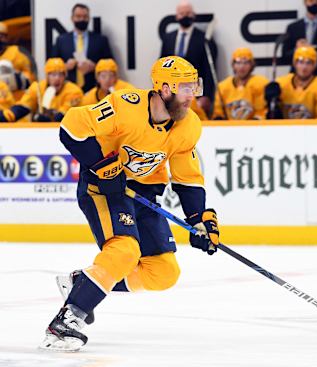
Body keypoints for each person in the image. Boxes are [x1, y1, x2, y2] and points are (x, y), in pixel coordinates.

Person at [39, 56, 220, 352]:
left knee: (163, 272)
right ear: (163, 88)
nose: (193, 95)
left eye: (194, 87)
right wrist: (102, 165)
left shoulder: (189, 125)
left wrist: (199, 218)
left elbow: (187, 177)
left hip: (144, 196)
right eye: (186, 88)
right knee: (125, 249)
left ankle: (82, 284)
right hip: (104, 189)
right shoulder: (125, 105)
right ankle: (68, 319)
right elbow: (71, 127)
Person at [160, 0, 217, 116]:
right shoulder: (168, 38)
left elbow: (209, 71)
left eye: (188, 13)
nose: (185, 16)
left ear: (193, 15)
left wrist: (207, 96)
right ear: (176, 16)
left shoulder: (204, 39)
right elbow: (162, 66)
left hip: (195, 93)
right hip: (172, 92)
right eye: (182, 13)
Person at [51, 3, 114, 92]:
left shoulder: (100, 40)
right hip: (67, 89)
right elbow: (51, 65)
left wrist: (95, 67)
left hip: (95, 88)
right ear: (72, 18)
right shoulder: (61, 40)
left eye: (85, 16)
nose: (82, 19)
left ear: (89, 18)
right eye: (78, 16)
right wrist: (64, 66)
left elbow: (111, 65)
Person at [0, 58, 83, 122]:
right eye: (53, 74)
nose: (57, 78)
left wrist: (48, 118)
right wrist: (7, 115)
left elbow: (62, 116)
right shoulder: (38, 87)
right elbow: (23, 107)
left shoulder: (74, 91)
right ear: (47, 76)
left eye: (60, 74)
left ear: (65, 76)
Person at [266, 46, 317, 119]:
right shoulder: (281, 83)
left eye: (309, 63)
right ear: (295, 63)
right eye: (301, 62)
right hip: (285, 128)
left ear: (315, 65)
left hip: (312, 129)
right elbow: (272, 115)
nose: (304, 67)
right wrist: (271, 102)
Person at [212, 47, 269, 120]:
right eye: (238, 62)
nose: (242, 67)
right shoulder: (222, 87)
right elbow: (218, 112)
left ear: (252, 64)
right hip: (229, 129)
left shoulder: (260, 83)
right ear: (233, 65)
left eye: (246, 62)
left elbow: (261, 112)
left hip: (253, 128)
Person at [0, 21, 34, 100]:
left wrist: (16, 78)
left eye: (1, 36)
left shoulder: (18, 52)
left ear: (6, 38)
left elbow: (32, 75)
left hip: (16, 99)